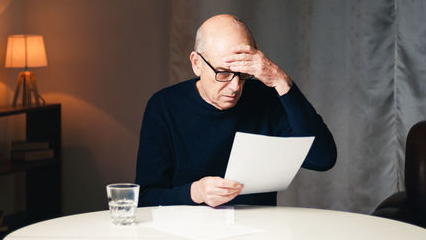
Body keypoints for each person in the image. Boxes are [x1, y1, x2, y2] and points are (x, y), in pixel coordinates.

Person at [135, 14, 337, 207]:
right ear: (197, 63)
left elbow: (322, 159)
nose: (235, 87)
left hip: (257, 232)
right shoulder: (164, 106)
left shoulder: (266, 99)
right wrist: (194, 192)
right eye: (223, 73)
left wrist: (281, 82)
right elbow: (145, 197)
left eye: (243, 74)